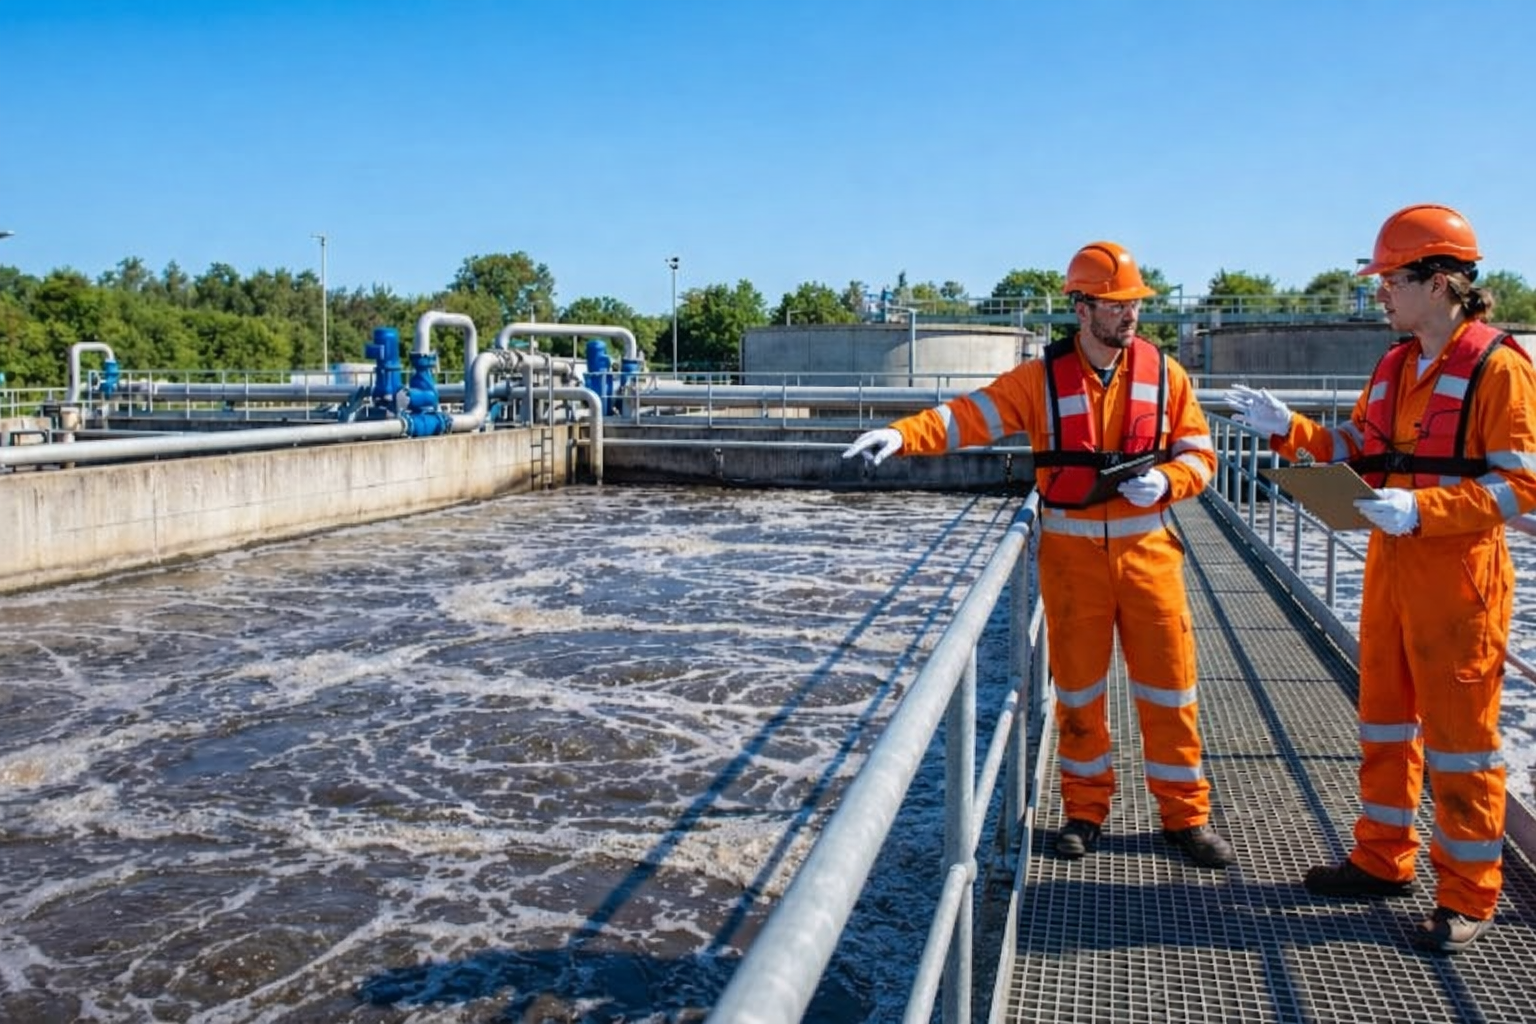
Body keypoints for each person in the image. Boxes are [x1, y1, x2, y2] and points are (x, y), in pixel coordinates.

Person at [844, 241, 1235, 869]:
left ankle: (1185, 817)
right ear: (1082, 309)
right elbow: (967, 418)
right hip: (1072, 565)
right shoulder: (1040, 380)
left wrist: (1170, 480)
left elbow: (1201, 456)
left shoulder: (1167, 375)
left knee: (1171, 693)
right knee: (1078, 697)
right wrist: (899, 433)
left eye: (1134, 302)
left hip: (1150, 557)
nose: (1129, 314)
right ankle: (1085, 810)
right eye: (1115, 304)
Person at [1226, 203, 1536, 953]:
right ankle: (1381, 860)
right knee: (1386, 723)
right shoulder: (1396, 363)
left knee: (1463, 744)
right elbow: (1357, 445)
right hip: (1391, 564)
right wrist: (1286, 426)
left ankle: (1467, 897)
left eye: (1390, 280)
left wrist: (1423, 509)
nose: (1379, 294)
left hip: (1459, 575)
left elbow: (1522, 488)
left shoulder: (1501, 366)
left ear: (1440, 281)